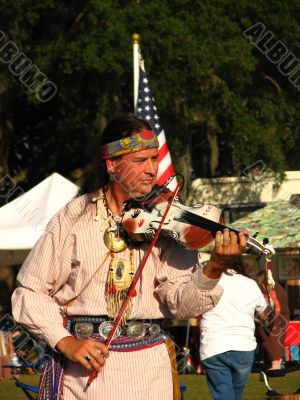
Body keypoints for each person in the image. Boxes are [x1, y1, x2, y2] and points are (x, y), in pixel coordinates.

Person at [11, 115, 247, 400]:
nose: (151, 171)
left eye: (154, 159)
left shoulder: (169, 223)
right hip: (83, 374)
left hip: (150, 373)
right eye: (139, 161)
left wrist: (214, 268)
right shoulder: (74, 216)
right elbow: (31, 291)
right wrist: (65, 341)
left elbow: (183, 305)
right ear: (111, 164)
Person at [199, 257, 268, 400]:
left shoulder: (207, 283)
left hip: (213, 345)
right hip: (243, 345)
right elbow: (265, 314)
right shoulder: (250, 284)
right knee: (236, 396)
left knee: (225, 396)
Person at [255, 270, 290, 375]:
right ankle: (275, 362)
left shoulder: (274, 289)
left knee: (273, 341)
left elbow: (277, 306)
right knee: (269, 341)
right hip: (274, 319)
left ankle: (276, 364)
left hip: (275, 320)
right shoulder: (272, 288)